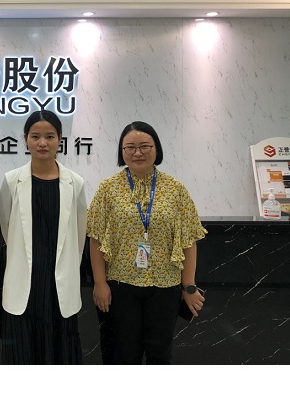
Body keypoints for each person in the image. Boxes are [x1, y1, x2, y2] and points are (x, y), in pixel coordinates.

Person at [88, 121, 206, 365]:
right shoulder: (108, 189)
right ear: (121, 151)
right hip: (120, 285)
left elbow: (189, 240)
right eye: (130, 147)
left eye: (144, 146)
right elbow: (95, 238)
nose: (137, 153)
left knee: (159, 354)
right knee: (123, 355)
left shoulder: (175, 189)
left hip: (165, 286)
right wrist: (100, 283)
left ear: (156, 149)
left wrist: (189, 286)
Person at [0, 110, 87, 364]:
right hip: (24, 278)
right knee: (22, 352)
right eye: (35, 136)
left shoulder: (76, 183)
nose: (42, 143)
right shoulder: (12, 181)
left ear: (60, 139)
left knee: (60, 352)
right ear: (25, 139)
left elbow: (80, 234)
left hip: (59, 281)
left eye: (50, 136)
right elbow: (6, 227)